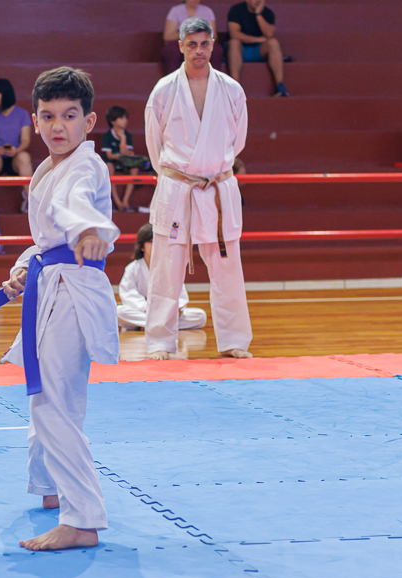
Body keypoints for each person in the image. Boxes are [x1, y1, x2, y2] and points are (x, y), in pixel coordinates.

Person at [0, 66, 119, 552]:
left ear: (89, 121)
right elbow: (45, 242)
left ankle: (83, 520)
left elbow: (76, 206)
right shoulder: (46, 170)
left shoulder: (85, 167)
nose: (57, 126)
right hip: (51, 285)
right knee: (51, 397)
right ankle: (50, 487)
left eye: (69, 116)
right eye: (48, 116)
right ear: (34, 120)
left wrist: (87, 229)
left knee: (50, 401)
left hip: (73, 291)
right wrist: (21, 270)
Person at [145, 17, 253, 360]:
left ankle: (234, 341)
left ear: (213, 44)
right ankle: (160, 341)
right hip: (178, 187)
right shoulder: (163, 90)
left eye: (204, 43)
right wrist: (181, 174)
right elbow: (154, 145)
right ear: (180, 46)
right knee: (167, 267)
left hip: (217, 187)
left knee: (227, 268)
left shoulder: (232, 90)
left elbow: (237, 142)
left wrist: (211, 167)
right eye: (191, 44)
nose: (199, 50)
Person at [117, 224, 206, 331]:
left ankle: (150, 325)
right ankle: (163, 325)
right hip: (144, 311)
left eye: (159, 242)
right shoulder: (132, 268)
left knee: (200, 316)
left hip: (167, 312)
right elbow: (128, 295)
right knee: (119, 312)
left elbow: (180, 294)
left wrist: (172, 308)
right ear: (142, 246)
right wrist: (149, 308)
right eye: (152, 241)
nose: (156, 245)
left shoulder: (169, 267)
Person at [0, 78, 34, 208]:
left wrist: (17, 150)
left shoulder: (22, 114)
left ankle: (30, 201)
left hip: (14, 156)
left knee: (24, 157)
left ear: (4, 95)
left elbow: (26, 140)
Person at [226, 0, 289, 97]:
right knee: (234, 43)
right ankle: (235, 88)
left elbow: (269, 34)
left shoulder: (268, 12)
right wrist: (259, 39)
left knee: (273, 43)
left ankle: (280, 86)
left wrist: (258, 14)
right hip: (238, 50)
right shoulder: (236, 10)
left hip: (257, 50)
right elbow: (234, 34)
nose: (257, 1)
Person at [101, 105, 149, 212]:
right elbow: (109, 156)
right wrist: (121, 155)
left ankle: (125, 201)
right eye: (121, 118)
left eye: (126, 118)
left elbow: (125, 155)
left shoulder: (127, 135)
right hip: (112, 163)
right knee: (109, 167)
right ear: (113, 121)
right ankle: (117, 202)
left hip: (124, 164)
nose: (125, 121)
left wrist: (123, 138)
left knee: (134, 169)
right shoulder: (107, 135)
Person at [162, 1, 216, 74]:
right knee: (172, 50)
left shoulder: (207, 11)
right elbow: (168, 36)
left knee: (216, 50)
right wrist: (188, 34)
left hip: (201, 40)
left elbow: (213, 35)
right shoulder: (176, 11)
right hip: (181, 41)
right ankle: (173, 78)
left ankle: (212, 77)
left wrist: (199, 36)